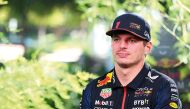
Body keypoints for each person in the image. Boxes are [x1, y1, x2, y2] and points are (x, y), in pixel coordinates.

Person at [80, 13, 182, 109]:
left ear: (147, 47)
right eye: (116, 39)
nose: (122, 46)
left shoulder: (163, 86)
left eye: (132, 40)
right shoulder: (93, 88)